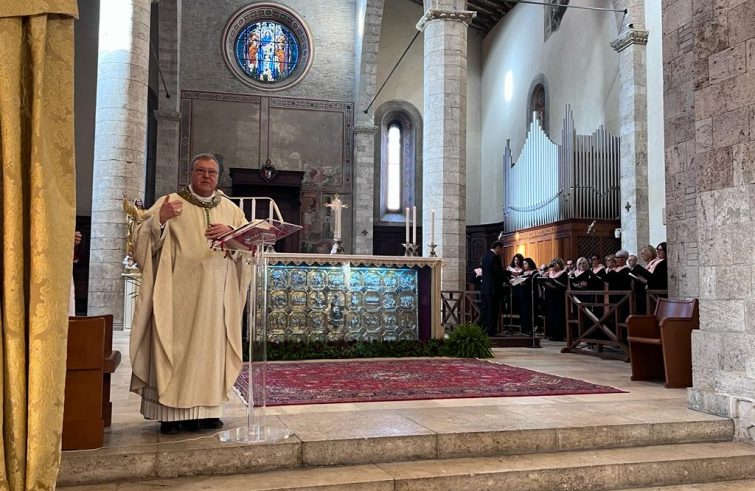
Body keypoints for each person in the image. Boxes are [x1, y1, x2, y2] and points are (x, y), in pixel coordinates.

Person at [129, 153, 249, 434]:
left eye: (212, 172)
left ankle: (208, 411)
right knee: (175, 348)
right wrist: (160, 219)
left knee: (211, 352)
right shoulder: (170, 202)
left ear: (218, 177)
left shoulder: (231, 209)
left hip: (216, 297)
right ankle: (170, 415)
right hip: (177, 294)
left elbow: (247, 247)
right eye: (201, 171)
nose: (206, 176)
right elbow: (140, 241)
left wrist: (232, 234)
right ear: (190, 173)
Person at [479, 240, 505, 337]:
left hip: (485, 289)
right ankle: (491, 332)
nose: (502, 252)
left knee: (485, 311)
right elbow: (498, 273)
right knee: (492, 311)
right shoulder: (494, 257)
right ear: (497, 247)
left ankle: (482, 330)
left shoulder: (485, 256)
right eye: (502, 249)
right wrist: (508, 278)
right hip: (493, 289)